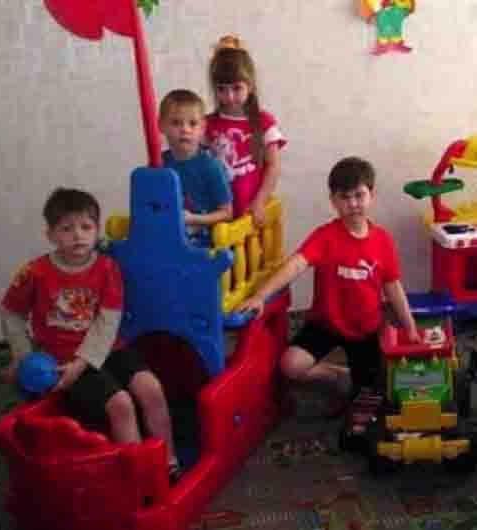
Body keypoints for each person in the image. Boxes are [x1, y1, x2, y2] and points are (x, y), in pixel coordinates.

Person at [0, 187, 183, 482]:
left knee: (151, 388)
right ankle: (140, 477)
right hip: (63, 359)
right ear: (50, 234)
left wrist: (83, 363)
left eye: (86, 227)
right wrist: (23, 355)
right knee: (121, 404)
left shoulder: (108, 268)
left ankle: (168, 460)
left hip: (107, 348)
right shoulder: (35, 272)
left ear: (97, 230)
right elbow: (10, 311)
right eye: (66, 228)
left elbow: (107, 322)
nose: (78, 235)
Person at [238, 157, 419, 413]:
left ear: (372, 195)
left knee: (371, 396)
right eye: (345, 197)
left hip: (365, 330)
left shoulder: (383, 241)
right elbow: (295, 265)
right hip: (326, 324)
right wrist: (260, 295)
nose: (353, 203)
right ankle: (335, 374)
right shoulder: (325, 236)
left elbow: (393, 288)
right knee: (290, 366)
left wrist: (410, 328)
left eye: (359, 195)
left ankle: (355, 379)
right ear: (333, 201)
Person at [206, 35, 287, 225]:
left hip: (248, 217)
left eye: (237, 88)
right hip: (216, 216)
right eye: (222, 89)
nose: (229, 96)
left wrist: (260, 202)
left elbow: (273, 167)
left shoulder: (263, 122)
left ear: (250, 86)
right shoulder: (206, 124)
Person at [159, 89, 233, 246]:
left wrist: (194, 219)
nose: (185, 129)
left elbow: (227, 213)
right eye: (176, 123)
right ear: (161, 125)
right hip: (168, 237)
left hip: (205, 242)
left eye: (192, 123)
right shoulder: (159, 163)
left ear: (202, 128)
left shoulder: (211, 166)